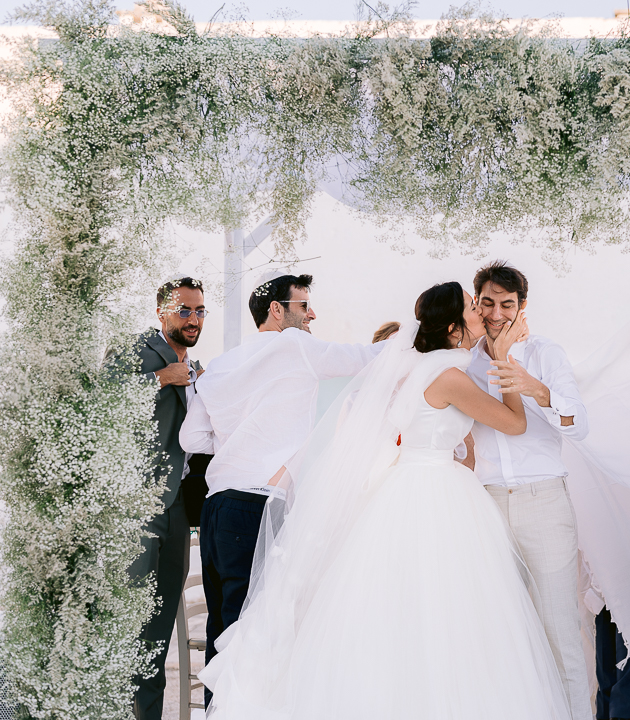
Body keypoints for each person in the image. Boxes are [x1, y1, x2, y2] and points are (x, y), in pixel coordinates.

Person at [197, 282, 572, 720]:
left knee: (410, 609)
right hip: (433, 492)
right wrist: (506, 362)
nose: (482, 313)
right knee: (446, 612)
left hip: (411, 487)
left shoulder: (421, 369)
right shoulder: (448, 376)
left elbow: (447, 439)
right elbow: (513, 424)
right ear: (454, 327)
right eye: (473, 307)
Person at [178, 273, 382, 705]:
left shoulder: (220, 367)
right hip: (257, 509)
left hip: (217, 510)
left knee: (223, 631)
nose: (312, 314)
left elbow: (191, 441)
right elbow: (368, 358)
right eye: (304, 305)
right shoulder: (295, 347)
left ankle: (219, 712)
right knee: (254, 633)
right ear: (277, 309)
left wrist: (238, 439)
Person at [467, 260, 592, 720]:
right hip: (486, 505)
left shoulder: (546, 353)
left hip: (544, 503)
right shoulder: (464, 361)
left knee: (561, 633)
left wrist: (536, 389)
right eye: (487, 304)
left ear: (522, 309)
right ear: (475, 303)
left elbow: (579, 426)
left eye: (506, 305)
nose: (496, 314)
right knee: (502, 635)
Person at [126, 276, 208, 720]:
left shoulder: (199, 367)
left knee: (158, 626)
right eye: (184, 310)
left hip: (178, 506)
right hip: (139, 504)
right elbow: (104, 403)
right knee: (133, 620)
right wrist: (161, 378)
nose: (193, 319)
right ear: (161, 312)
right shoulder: (136, 350)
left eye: (199, 311)